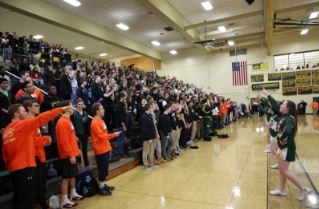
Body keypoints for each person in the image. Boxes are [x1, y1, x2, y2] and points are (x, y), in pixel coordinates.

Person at [2, 103, 69, 209]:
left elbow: (5, 153)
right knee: (27, 199)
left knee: (19, 198)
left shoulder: (6, 131)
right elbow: (41, 118)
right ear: (16, 114)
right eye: (23, 111)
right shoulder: (21, 125)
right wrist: (61, 109)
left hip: (14, 169)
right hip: (25, 167)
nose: (25, 113)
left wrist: (9, 166)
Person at [262, 90, 311, 200]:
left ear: (287, 108)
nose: (280, 105)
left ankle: (304, 188)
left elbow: (288, 130)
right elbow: (275, 105)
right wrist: (268, 95)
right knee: (281, 168)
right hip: (282, 147)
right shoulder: (283, 116)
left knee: (284, 170)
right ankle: (281, 189)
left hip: (287, 148)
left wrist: (282, 137)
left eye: (283, 104)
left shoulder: (289, 119)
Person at [23, 99, 52, 209]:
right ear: (29, 108)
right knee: (37, 184)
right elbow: (31, 142)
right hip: (34, 157)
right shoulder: (27, 122)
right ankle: (41, 204)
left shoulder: (34, 121)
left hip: (40, 155)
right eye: (35, 105)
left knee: (41, 183)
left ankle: (41, 203)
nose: (38, 107)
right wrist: (45, 139)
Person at [55, 101, 84, 208]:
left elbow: (72, 138)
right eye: (71, 105)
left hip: (73, 152)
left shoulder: (68, 121)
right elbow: (64, 141)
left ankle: (73, 193)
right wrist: (70, 154)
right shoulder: (62, 122)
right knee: (66, 177)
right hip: (66, 155)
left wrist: (77, 151)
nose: (73, 107)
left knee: (72, 175)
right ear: (66, 108)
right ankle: (64, 200)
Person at [90, 103, 121, 195]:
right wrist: (114, 135)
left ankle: (103, 184)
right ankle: (101, 187)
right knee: (102, 169)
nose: (104, 110)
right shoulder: (95, 122)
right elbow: (102, 136)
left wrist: (109, 146)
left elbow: (104, 134)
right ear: (97, 111)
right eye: (102, 108)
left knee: (105, 169)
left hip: (105, 148)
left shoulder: (101, 120)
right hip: (100, 150)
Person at [72, 98, 90, 167]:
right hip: (78, 134)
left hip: (85, 133)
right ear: (76, 105)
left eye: (81, 104)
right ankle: (79, 164)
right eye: (79, 104)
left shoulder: (85, 113)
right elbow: (73, 125)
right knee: (78, 150)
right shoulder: (74, 114)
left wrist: (88, 134)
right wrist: (74, 135)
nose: (80, 105)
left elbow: (88, 124)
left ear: (83, 105)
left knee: (85, 149)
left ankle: (86, 163)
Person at [140, 103, 157, 171]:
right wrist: (148, 138)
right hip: (147, 138)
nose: (152, 108)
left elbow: (152, 127)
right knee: (146, 151)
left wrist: (154, 135)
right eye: (151, 107)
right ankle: (145, 165)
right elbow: (144, 129)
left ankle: (151, 163)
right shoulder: (144, 117)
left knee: (151, 151)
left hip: (152, 137)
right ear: (149, 108)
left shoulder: (150, 115)